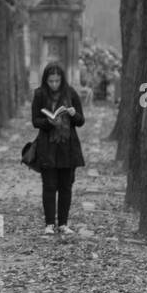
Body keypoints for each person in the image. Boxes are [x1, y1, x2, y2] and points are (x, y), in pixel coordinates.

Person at [30, 62, 86, 235]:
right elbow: (35, 121)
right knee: (49, 185)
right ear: (46, 80)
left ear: (62, 80)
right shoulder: (39, 94)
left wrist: (72, 114)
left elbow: (81, 120)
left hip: (68, 147)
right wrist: (49, 122)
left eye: (57, 81)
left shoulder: (71, 93)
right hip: (48, 146)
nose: (54, 84)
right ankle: (49, 224)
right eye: (51, 81)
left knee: (66, 186)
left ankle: (63, 223)